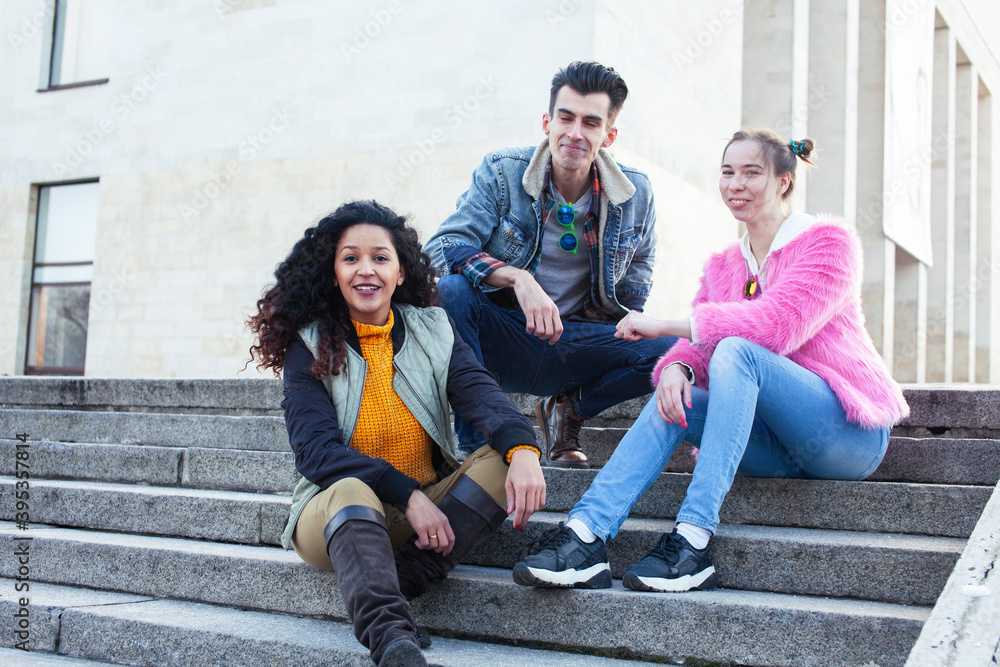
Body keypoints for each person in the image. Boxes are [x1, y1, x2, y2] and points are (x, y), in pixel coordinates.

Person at [512, 129, 910, 592]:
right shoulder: (724, 266)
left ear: (783, 181)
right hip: (771, 446)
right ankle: (585, 536)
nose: (736, 184)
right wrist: (676, 367)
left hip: (846, 434)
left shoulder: (828, 243)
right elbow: (699, 348)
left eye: (751, 173)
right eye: (727, 172)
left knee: (738, 350)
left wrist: (665, 325)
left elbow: (777, 325)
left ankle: (693, 541)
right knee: (676, 396)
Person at [247, 200, 545, 666]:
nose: (366, 270)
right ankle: (392, 641)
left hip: (423, 515)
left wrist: (524, 448)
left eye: (380, 258)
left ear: (400, 272)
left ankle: (400, 582)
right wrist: (407, 494)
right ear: (334, 274)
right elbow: (317, 454)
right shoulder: (309, 345)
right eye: (350, 258)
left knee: (502, 459)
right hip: (334, 515)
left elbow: (480, 393)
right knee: (351, 488)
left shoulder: (434, 329)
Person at [423, 60, 676, 468]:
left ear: (609, 136)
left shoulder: (635, 194)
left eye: (591, 123)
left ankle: (568, 408)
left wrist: (622, 332)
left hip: (573, 344)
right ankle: (477, 444)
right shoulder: (503, 172)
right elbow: (441, 248)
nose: (575, 133)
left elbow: (635, 285)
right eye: (566, 118)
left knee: (671, 347)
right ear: (547, 122)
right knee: (452, 290)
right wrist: (517, 279)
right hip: (502, 338)